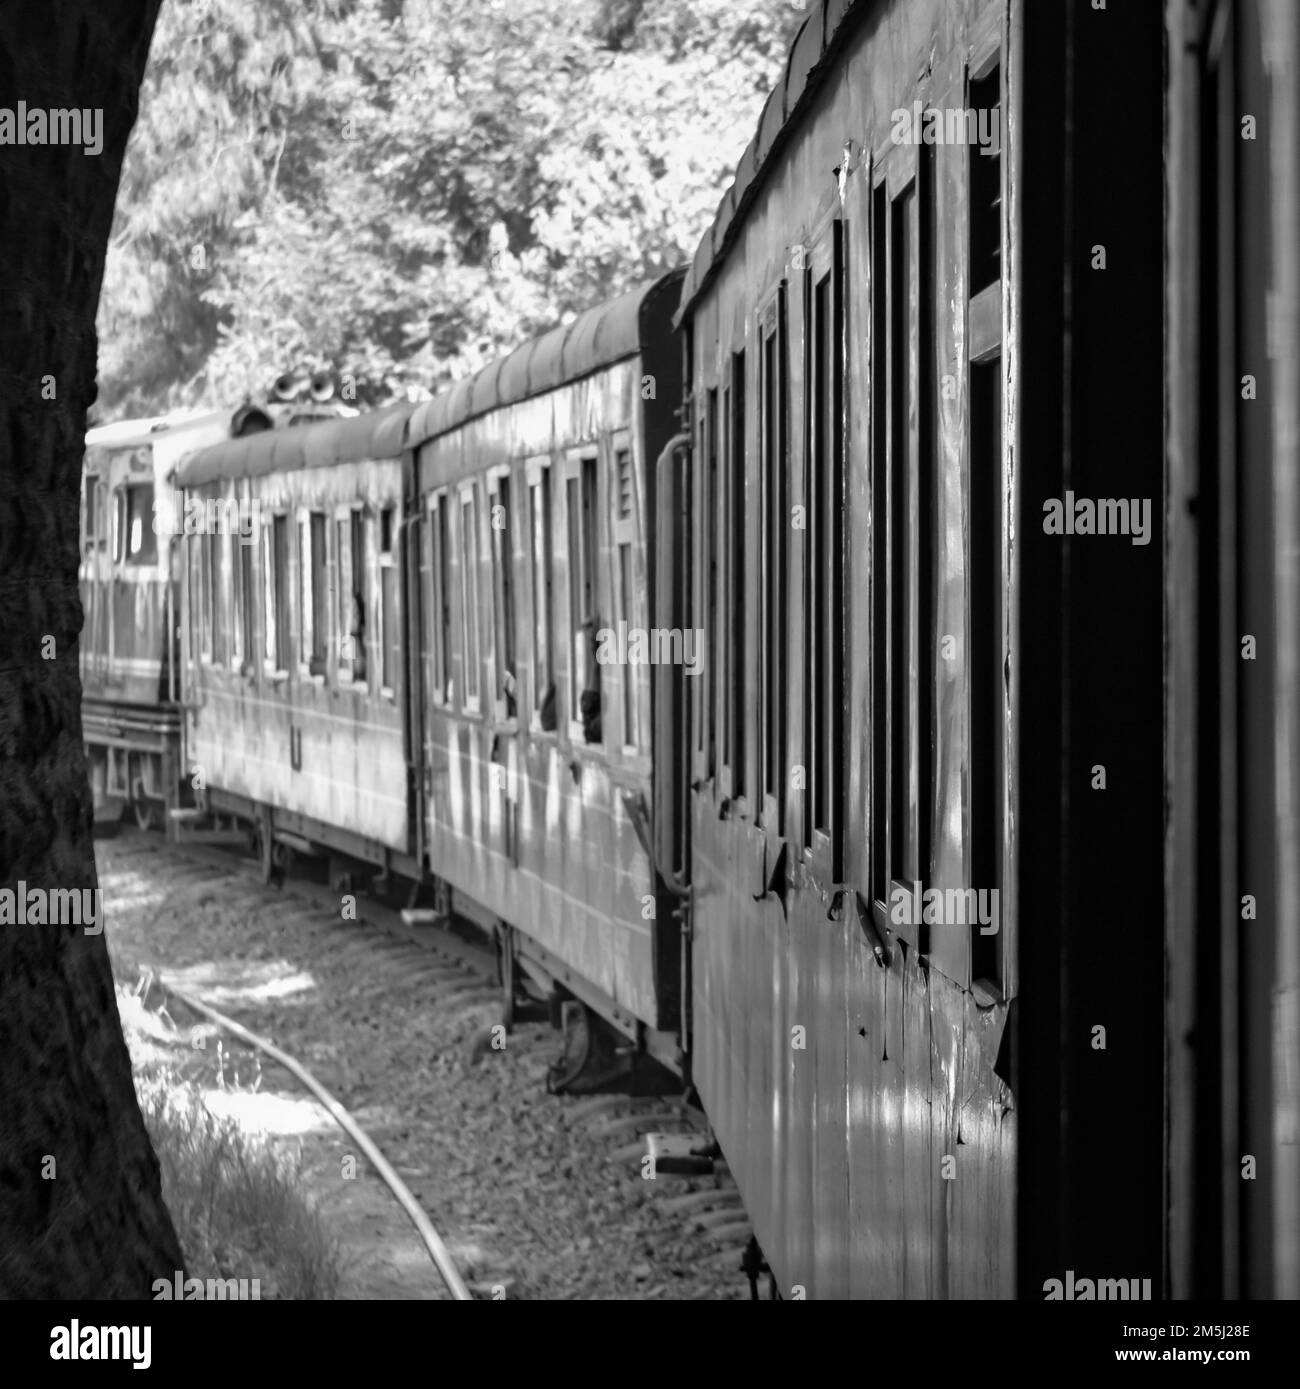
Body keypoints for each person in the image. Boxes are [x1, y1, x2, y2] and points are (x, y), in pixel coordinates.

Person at [579, 616, 601, 744]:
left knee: (596, 667)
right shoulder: (592, 728)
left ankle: (592, 640)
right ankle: (592, 640)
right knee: (596, 667)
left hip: (590, 702)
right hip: (590, 702)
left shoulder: (592, 727)